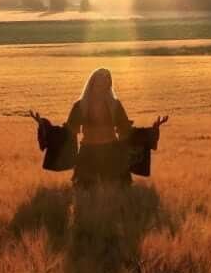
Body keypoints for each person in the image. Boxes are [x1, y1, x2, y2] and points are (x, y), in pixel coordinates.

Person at [30, 68, 168, 188]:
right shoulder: (80, 106)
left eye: (105, 83)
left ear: (108, 85)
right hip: (88, 153)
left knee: (117, 190)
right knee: (85, 191)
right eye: (99, 82)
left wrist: (152, 130)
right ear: (92, 83)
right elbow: (68, 131)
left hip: (112, 152)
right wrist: (44, 125)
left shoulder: (114, 105)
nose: (101, 86)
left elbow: (126, 130)